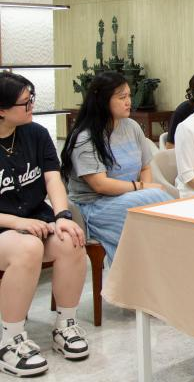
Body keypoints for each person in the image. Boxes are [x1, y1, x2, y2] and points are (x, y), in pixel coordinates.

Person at [0, 73, 89, 375]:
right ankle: (10, 340)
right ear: (2, 109)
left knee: (71, 239)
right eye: (25, 103)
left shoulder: (36, 134)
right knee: (28, 248)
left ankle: (65, 325)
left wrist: (62, 216)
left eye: (32, 99)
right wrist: (18, 222)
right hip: (6, 226)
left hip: (36, 218)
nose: (32, 107)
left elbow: (52, 178)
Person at [60, 72, 172, 263]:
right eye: (122, 97)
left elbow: (145, 168)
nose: (128, 102)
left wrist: (144, 192)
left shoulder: (132, 127)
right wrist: (143, 189)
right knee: (156, 204)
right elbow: (100, 185)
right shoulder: (85, 137)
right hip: (96, 206)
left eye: (129, 96)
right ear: (103, 101)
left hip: (130, 197)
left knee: (157, 207)